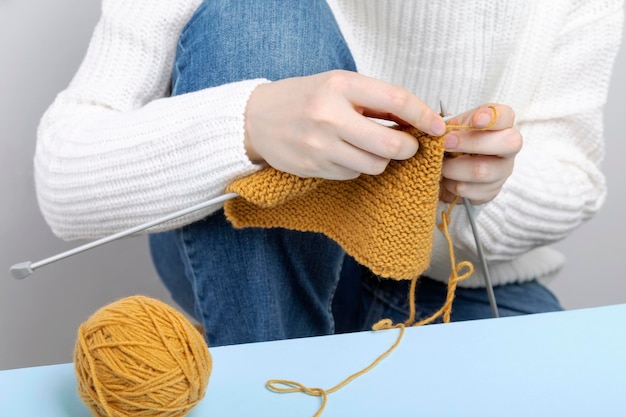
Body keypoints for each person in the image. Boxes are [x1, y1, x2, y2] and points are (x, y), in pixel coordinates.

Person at [34, 0, 623, 346]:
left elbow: (573, 177)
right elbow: (64, 182)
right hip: (260, 277)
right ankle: (272, 371)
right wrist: (246, 127)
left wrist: (481, 186)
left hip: (455, 290)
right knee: (260, 21)